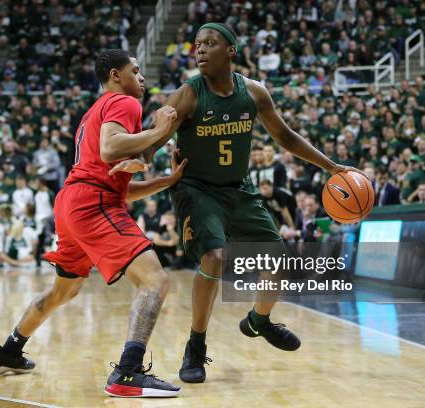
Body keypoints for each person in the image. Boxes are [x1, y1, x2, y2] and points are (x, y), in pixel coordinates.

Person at [147, 23, 364, 383]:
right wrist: (136, 156)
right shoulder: (187, 94)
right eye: (197, 45)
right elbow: (154, 139)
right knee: (215, 257)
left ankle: (258, 321)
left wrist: (330, 166)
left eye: (210, 44)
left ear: (230, 51)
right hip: (197, 189)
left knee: (278, 256)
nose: (200, 50)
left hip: (238, 188)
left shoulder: (254, 93)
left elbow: (285, 136)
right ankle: (196, 346)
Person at [0, 49, 187, 398]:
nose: (142, 78)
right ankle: (128, 373)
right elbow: (110, 150)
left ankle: (10, 351)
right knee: (155, 281)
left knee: (64, 290)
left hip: (73, 201)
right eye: (135, 71)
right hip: (92, 203)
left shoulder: (96, 111)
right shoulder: (123, 102)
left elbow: (114, 184)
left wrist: (165, 181)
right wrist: (158, 130)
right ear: (114, 76)